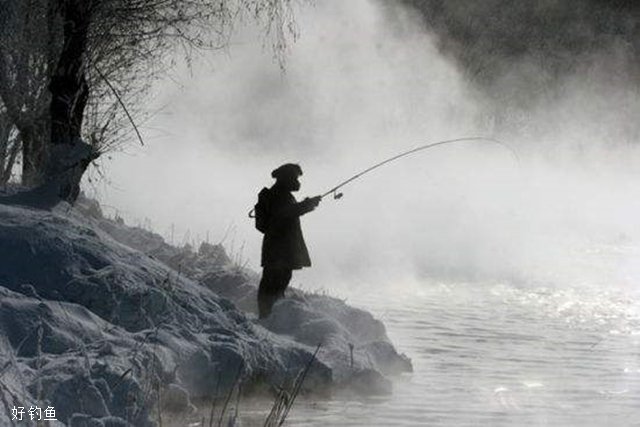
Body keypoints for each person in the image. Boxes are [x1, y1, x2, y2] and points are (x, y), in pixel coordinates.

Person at [257, 163, 321, 318]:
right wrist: (307, 204)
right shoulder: (280, 195)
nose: (298, 182)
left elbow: (288, 212)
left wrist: (306, 204)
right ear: (287, 178)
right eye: (295, 178)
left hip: (279, 248)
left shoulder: (280, 194)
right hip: (279, 250)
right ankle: (268, 317)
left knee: (276, 282)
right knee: (275, 283)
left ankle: (269, 315)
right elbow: (286, 213)